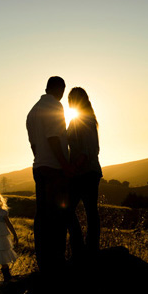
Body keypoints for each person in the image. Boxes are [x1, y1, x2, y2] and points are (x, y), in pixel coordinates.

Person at [26, 76, 74, 274]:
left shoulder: (32, 111)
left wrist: (41, 161)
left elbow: (34, 144)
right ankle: (57, 260)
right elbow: (54, 138)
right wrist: (64, 165)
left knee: (42, 215)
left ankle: (43, 261)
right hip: (54, 168)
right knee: (58, 215)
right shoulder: (55, 106)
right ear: (59, 89)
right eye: (62, 90)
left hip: (39, 167)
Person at [66, 87, 103, 261]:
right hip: (88, 172)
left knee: (70, 210)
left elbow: (88, 150)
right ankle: (86, 249)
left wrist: (73, 167)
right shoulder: (84, 119)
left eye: (71, 98)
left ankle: (85, 250)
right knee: (89, 212)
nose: (69, 102)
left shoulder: (84, 120)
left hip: (84, 172)